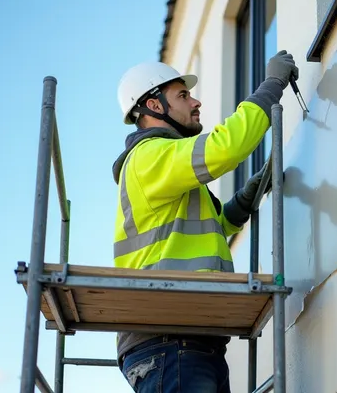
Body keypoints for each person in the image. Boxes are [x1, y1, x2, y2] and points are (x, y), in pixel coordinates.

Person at [110, 50, 299, 392]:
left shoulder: (166, 168)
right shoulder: (149, 156)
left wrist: (245, 198)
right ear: (154, 106)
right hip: (171, 335)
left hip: (184, 336)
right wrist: (272, 86)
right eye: (182, 95)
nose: (195, 102)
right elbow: (224, 148)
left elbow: (216, 224)